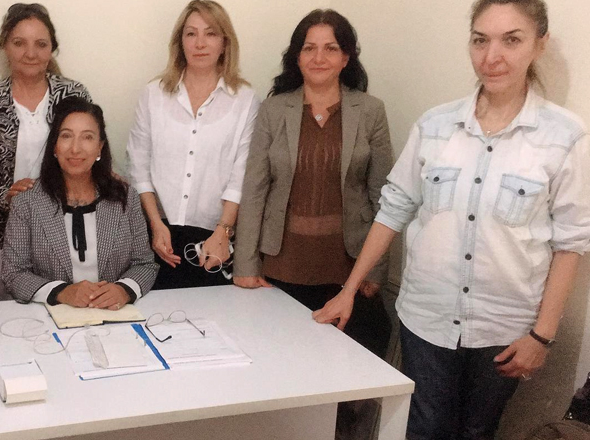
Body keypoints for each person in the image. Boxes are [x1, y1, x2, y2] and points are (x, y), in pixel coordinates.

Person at [313, 0, 590, 438]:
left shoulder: (565, 136)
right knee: (423, 428)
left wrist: (542, 336)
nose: (491, 56)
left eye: (511, 40)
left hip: (505, 330)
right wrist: (349, 290)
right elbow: (394, 207)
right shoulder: (435, 125)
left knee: (477, 432)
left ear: (539, 45)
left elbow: (570, 242)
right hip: (426, 320)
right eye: (480, 40)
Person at [234, 9, 392, 360]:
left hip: (348, 271)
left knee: (345, 368)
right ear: (297, 56)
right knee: (281, 364)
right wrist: (245, 265)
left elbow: (384, 198)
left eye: (330, 48)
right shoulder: (273, 110)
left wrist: (377, 269)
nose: (319, 58)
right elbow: (255, 190)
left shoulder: (370, 111)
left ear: (346, 57)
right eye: (309, 48)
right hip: (280, 268)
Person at [126, 0, 259, 290]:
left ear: (225, 43)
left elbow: (242, 173)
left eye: (210, 33)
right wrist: (155, 224)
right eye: (191, 33)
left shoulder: (245, 99)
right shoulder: (153, 94)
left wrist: (223, 232)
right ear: (180, 42)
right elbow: (138, 166)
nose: (200, 43)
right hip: (157, 234)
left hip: (213, 240)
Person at [0, 3, 91, 301]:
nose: (30, 53)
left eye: (40, 44)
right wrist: (5, 195)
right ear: (5, 46)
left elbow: (89, 154)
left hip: (64, 226)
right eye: (19, 43)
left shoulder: (73, 95)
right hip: (3, 231)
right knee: (3, 312)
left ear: (52, 48)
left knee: (62, 306)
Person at [2, 97, 158, 307]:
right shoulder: (27, 202)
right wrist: (61, 292)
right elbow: (13, 274)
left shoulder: (125, 197)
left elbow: (145, 264)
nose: (75, 149)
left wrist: (124, 290)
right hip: (49, 317)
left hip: (114, 314)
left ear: (100, 147)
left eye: (87, 137)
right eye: (66, 136)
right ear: (54, 146)